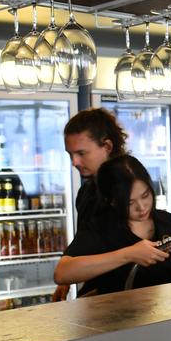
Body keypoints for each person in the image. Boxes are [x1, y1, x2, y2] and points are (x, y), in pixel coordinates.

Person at [53, 155, 171, 295]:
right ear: (112, 201)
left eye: (145, 195)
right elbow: (62, 273)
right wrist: (129, 254)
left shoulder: (168, 222)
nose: (142, 207)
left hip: (168, 317)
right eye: (129, 203)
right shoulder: (102, 228)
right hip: (119, 320)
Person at [53, 108, 129, 301]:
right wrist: (68, 276)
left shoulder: (129, 187)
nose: (74, 162)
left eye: (81, 153)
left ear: (107, 146)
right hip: (97, 297)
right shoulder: (86, 192)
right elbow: (86, 239)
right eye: (70, 154)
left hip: (129, 297)